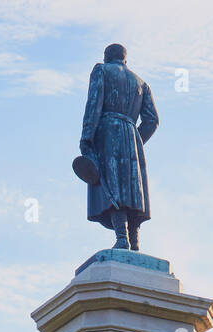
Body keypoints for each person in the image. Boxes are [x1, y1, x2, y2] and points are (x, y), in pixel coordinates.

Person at [78, 43, 158, 251]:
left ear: (106, 57)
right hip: (131, 136)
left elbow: (94, 104)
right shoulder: (142, 83)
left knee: (112, 185)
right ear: (125, 59)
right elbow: (152, 120)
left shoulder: (101, 70)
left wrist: (87, 137)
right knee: (131, 189)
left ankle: (123, 238)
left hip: (108, 132)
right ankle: (135, 242)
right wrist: (136, 140)